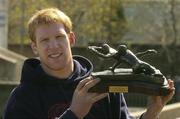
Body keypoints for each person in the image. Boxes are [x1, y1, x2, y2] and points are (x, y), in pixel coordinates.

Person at [3, 8, 175, 119]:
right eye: (45, 40)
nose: (53, 46)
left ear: (71, 39)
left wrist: (151, 113)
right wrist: (74, 113)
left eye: (59, 37)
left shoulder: (104, 86)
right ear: (34, 47)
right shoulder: (22, 98)